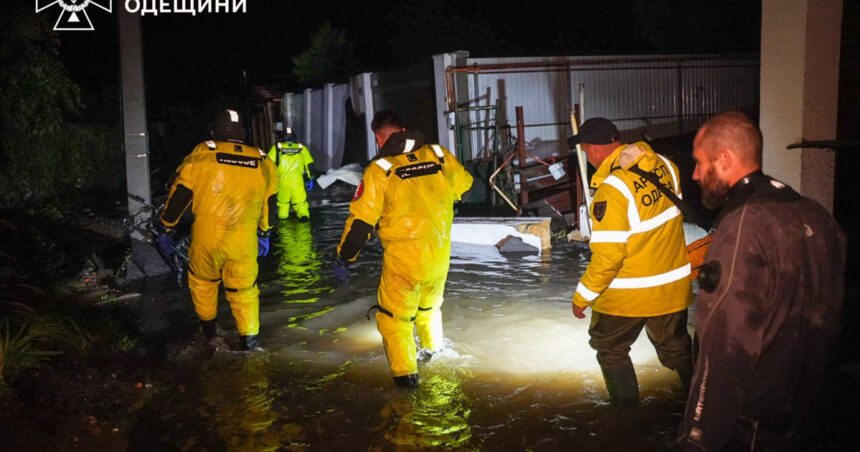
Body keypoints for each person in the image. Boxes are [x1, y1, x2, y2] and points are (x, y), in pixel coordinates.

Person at [676, 111, 846, 450]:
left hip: (754, 423)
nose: (694, 174)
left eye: (699, 162)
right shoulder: (817, 214)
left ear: (724, 159)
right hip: (810, 411)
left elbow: (725, 344)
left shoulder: (745, 225)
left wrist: (696, 436)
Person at [334, 110, 473, 389]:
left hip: (404, 262)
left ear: (378, 137)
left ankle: (407, 384)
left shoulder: (380, 170)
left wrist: (344, 256)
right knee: (429, 310)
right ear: (404, 129)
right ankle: (435, 356)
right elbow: (465, 185)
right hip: (439, 257)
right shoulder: (438, 154)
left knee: (394, 322)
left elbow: (361, 225)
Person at [570, 117, 694, 405]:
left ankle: (627, 420)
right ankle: (702, 408)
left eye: (587, 151)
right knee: (677, 349)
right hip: (672, 288)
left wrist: (583, 296)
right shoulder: (664, 165)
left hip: (628, 294)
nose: (588, 158)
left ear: (596, 150)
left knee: (610, 350)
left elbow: (609, 257)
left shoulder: (612, 189)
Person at [159, 109, 279, 351]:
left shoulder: (203, 154)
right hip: (244, 242)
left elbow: (181, 195)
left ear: (214, 132)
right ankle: (251, 343)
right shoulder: (263, 160)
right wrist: (265, 233)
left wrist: (166, 227)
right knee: (245, 292)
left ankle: (210, 334)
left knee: (203, 283)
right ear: (241, 135)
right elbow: (271, 203)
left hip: (208, 238)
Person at [267, 126, 315, 220]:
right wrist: (311, 178)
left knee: (283, 205)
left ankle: (284, 225)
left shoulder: (277, 148)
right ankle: (304, 219)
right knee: (301, 203)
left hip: (282, 182)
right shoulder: (301, 148)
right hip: (298, 181)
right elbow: (310, 164)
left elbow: (268, 164)